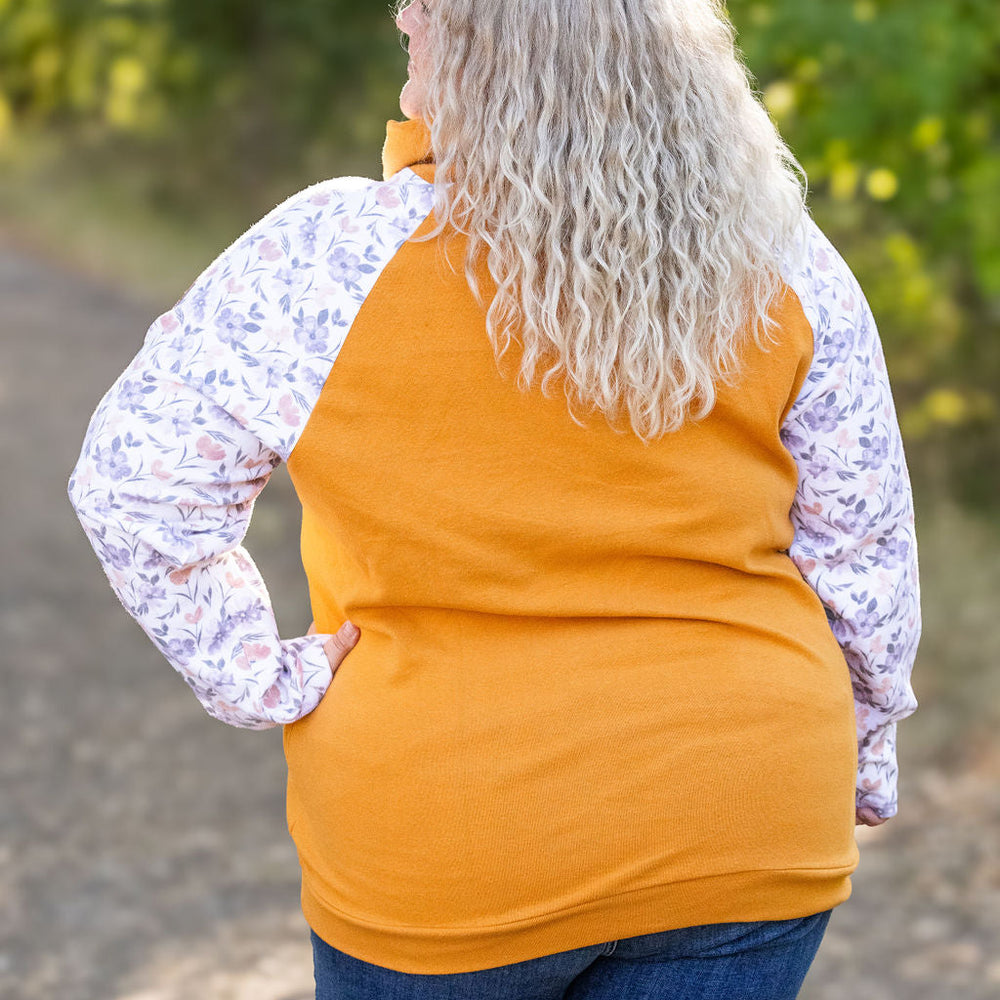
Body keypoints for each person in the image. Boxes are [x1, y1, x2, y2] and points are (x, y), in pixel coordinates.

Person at [68, 0, 921, 996]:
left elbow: (135, 485)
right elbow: (860, 550)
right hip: (745, 816)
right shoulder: (783, 259)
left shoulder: (329, 257)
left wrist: (260, 677)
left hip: (444, 843)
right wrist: (861, 749)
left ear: (490, 52)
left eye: (427, 5)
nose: (402, 14)